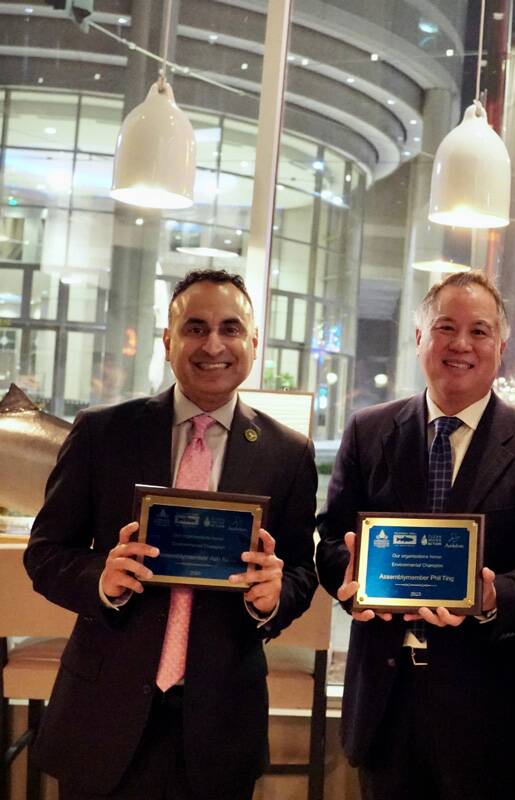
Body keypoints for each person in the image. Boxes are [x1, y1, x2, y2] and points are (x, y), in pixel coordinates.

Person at [24, 270, 318, 799]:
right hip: (103, 712)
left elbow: (300, 570)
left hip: (221, 720)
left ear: (254, 343)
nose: (213, 345)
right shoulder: (102, 432)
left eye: (230, 328)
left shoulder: (288, 454)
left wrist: (274, 596)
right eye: (195, 327)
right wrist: (101, 579)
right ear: (168, 341)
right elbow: (45, 554)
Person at [316, 269, 515, 799]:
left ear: (501, 347)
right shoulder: (369, 430)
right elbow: (331, 541)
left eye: (479, 331)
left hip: (489, 716)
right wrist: (349, 581)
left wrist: (492, 597)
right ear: (420, 337)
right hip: (385, 706)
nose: (461, 344)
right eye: (445, 327)